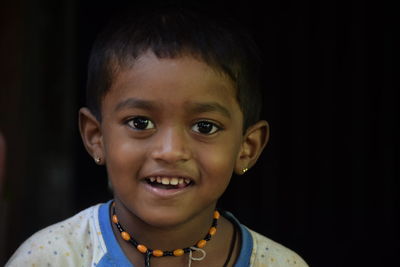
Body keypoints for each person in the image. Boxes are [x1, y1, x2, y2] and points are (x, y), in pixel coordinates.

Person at [6, 6, 308, 267]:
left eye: (205, 127)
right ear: (95, 136)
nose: (170, 151)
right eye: (140, 122)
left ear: (247, 147)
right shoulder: (52, 258)